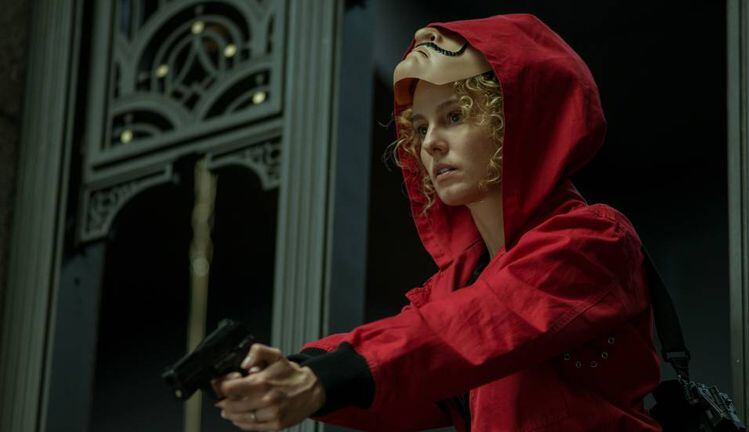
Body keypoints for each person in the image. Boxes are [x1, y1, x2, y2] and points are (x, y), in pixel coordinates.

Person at [213, 14, 662, 431]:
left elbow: (472, 327)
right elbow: (409, 378)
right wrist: (292, 370)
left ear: (520, 119)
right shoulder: (458, 285)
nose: (430, 144)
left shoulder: (593, 241)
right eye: (421, 127)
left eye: (454, 116)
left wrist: (324, 376)